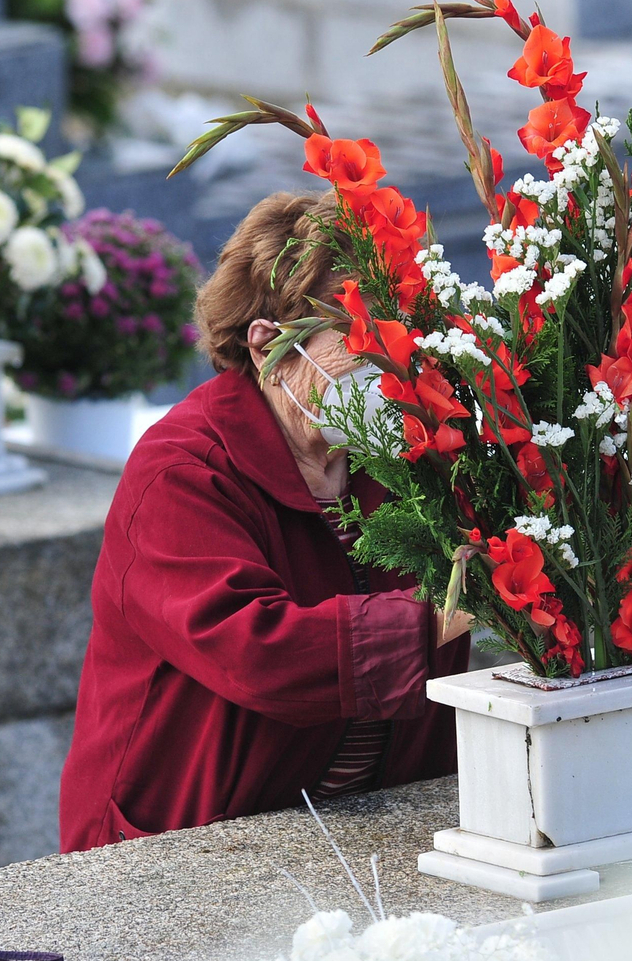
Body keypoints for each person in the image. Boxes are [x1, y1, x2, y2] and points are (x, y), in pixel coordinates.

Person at [58, 190, 473, 851]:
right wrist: (456, 608)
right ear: (267, 346)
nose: (391, 363)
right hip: (184, 839)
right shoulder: (183, 471)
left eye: (399, 333)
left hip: (369, 822)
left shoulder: (394, 449)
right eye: (362, 337)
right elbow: (255, 649)